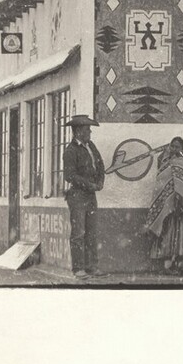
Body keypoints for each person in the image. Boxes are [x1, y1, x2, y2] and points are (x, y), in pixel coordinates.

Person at [145, 136, 183, 275]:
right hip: (167, 206)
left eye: (177, 147)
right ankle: (167, 265)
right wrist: (168, 198)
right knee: (167, 234)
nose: (174, 149)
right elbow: (161, 179)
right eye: (172, 146)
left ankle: (180, 265)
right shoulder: (165, 160)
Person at [63, 114, 106, 280]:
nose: (90, 132)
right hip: (77, 196)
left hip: (91, 196)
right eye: (87, 129)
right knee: (79, 233)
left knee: (91, 233)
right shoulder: (70, 151)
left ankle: (92, 267)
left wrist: (100, 182)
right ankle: (78, 269)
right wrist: (89, 185)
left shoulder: (91, 146)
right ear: (78, 131)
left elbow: (100, 164)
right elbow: (70, 176)